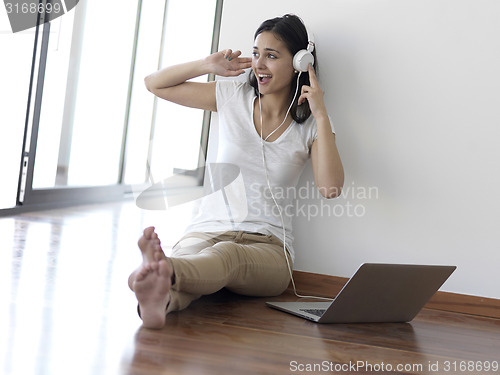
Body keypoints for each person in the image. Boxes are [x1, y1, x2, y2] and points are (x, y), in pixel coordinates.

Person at [128, 14, 344, 329]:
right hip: (204, 230)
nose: (259, 64)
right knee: (193, 269)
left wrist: (322, 115)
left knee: (224, 254)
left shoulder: (312, 125)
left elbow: (330, 188)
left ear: (299, 63)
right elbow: (154, 84)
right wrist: (205, 65)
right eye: (256, 53)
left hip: (268, 247)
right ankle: (158, 300)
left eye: (271, 56)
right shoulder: (232, 96)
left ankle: (164, 269)